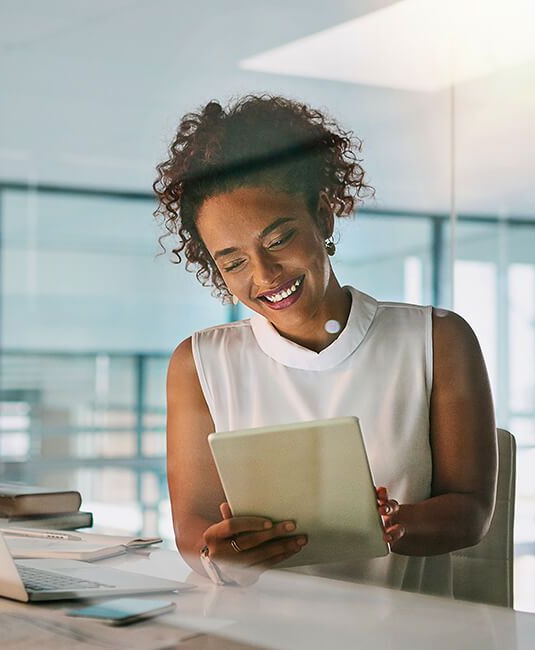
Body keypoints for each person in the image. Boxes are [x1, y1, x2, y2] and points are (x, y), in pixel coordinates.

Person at [156, 94, 497, 595]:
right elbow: (193, 527)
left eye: (277, 239)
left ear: (323, 216)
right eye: (233, 262)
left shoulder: (437, 340)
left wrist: (396, 525)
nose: (264, 274)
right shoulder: (199, 364)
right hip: (253, 633)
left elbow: (470, 509)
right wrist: (219, 553)